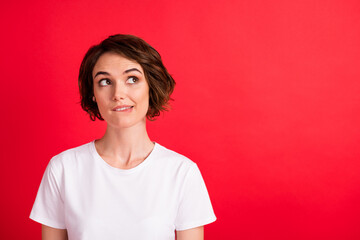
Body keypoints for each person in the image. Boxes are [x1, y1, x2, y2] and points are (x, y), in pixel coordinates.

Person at [30, 34, 216, 240]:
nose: (118, 93)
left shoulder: (182, 173)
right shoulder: (63, 168)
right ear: (93, 93)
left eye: (132, 79)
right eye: (105, 81)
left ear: (150, 86)